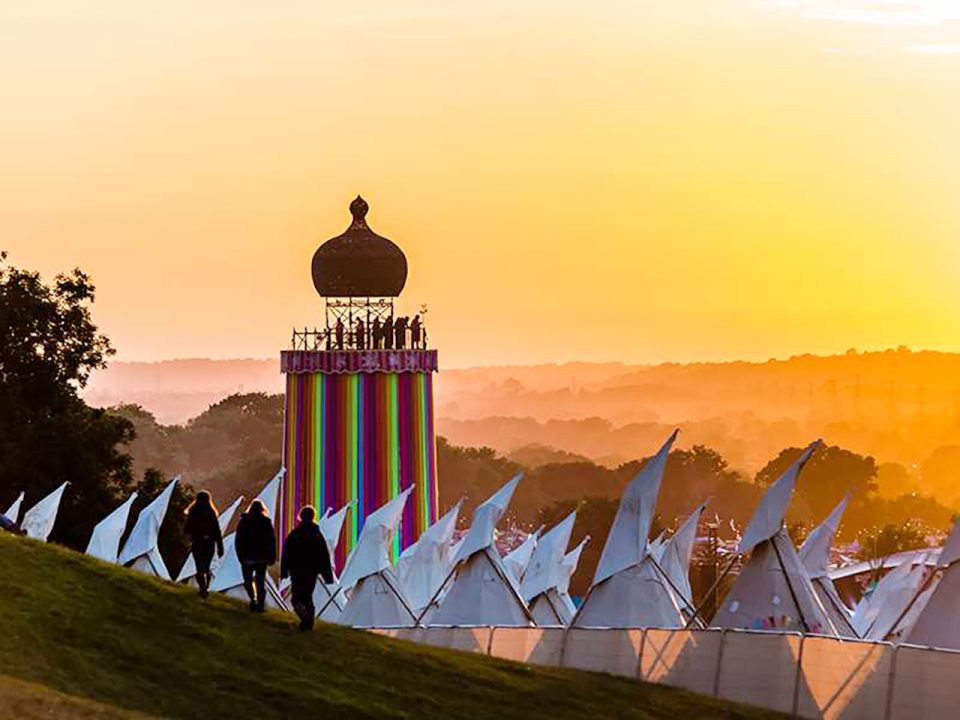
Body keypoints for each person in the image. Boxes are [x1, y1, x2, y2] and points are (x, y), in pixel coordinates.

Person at [280, 506, 334, 631]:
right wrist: (327, 575)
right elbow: (323, 555)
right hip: (311, 571)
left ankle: (306, 619)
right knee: (307, 596)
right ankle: (308, 621)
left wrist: (284, 571)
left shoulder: (295, 534)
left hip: (297, 570)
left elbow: (287, 554)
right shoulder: (317, 535)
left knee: (296, 598)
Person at [235, 499, 277, 612]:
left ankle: (253, 599)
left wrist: (240, 555)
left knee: (248, 580)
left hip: (247, 556)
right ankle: (260, 604)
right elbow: (271, 541)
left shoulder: (244, 521)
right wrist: (272, 556)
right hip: (261, 557)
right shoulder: (266, 522)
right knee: (260, 581)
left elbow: (239, 540)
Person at [184, 490, 224, 598]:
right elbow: (217, 531)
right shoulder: (211, 513)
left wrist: (193, 536)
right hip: (210, 543)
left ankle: (203, 588)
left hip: (198, 542)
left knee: (199, 567)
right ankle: (205, 587)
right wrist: (220, 547)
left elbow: (187, 529)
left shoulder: (193, 512)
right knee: (206, 567)